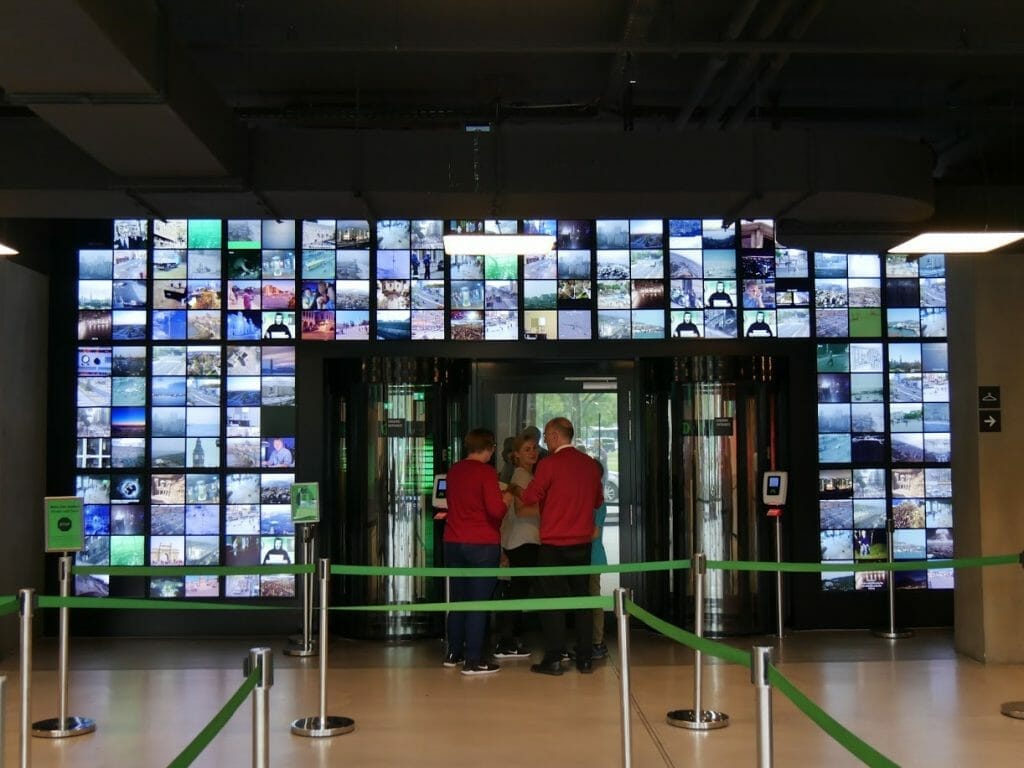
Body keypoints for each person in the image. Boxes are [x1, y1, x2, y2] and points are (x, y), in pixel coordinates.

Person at [509, 417, 603, 675]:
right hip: (582, 544)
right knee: (582, 599)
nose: (544, 444)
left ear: (553, 436)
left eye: (546, 438)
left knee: (552, 601)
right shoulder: (590, 465)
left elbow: (530, 496)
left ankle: (554, 658)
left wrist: (516, 490)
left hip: (552, 544)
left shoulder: (548, 465)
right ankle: (585, 659)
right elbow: (597, 501)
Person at [443, 428, 512, 675]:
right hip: (481, 544)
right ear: (490, 448)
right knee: (478, 602)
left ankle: (453, 653)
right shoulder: (486, 472)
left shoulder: (454, 471)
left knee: (458, 601)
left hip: (453, 542)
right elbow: (495, 511)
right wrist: (505, 500)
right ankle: (474, 659)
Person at [493, 431, 541, 659]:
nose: (533, 453)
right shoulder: (522, 477)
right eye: (527, 450)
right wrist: (551, 507)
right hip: (524, 540)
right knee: (519, 591)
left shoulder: (524, 476)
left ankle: (508, 638)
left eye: (534, 448)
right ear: (516, 456)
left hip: (522, 539)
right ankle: (506, 640)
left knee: (518, 590)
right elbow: (522, 511)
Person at [590, 458, 609, 659]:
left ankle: (597, 641)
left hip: (592, 557)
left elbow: (595, 533)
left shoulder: (598, 502)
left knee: (593, 599)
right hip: (588, 556)